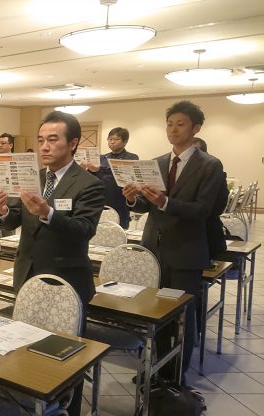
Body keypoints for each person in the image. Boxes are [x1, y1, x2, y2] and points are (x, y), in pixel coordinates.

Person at [0, 111, 104, 416]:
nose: (44, 146)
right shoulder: (35, 177)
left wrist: (48, 213)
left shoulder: (89, 184)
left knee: (66, 358)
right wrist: (2, 210)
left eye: (53, 139)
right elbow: (14, 219)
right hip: (28, 274)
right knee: (25, 348)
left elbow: (84, 230)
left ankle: (69, 410)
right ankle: (29, 405)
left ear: (73, 143)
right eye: (41, 140)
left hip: (66, 281)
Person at [122, 101, 224, 384]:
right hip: (153, 249)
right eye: (169, 124)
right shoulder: (156, 162)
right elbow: (146, 205)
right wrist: (132, 199)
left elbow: (203, 209)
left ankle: (177, 375)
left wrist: (166, 202)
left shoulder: (210, 165)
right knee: (155, 311)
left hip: (186, 250)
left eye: (180, 124)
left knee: (181, 314)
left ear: (196, 128)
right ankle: (157, 369)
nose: (173, 130)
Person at [82, 127, 139, 228]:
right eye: (110, 139)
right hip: (100, 201)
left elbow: (122, 173)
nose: (112, 142)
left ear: (125, 141)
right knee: (99, 229)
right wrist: (86, 169)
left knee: (120, 229)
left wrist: (99, 169)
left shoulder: (131, 157)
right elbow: (92, 178)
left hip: (120, 201)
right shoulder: (102, 158)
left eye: (116, 139)